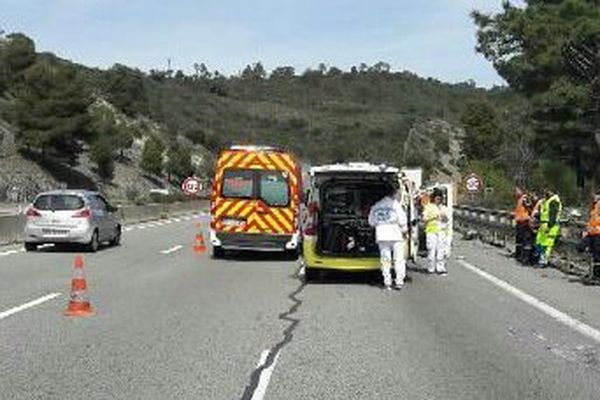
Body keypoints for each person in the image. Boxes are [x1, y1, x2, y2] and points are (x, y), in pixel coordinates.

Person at [368, 186, 408, 290]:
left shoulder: (376, 206)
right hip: (396, 235)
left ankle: (387, 282)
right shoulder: (395, 205)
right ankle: (399, 281)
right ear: (393, 194)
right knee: (398, 259)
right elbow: (402, 220)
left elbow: (371, 222)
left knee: (385, 260)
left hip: (381, 235)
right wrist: (404, 231)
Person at [422, 188, 449, 275]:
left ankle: (440, 267)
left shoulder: (444, 208)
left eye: (440, 199)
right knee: (431, 249)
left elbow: (447, 219)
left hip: (441, 230)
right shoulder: (428, 207)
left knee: (441, 249)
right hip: (431, 230)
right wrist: (434, 217)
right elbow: (424, 219)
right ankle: (431, 267)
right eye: (437, 198)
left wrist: (444, 217)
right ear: (433, 198)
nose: (438, 200)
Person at [534, 188, 562, 267]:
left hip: (550, 227)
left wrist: (549, 226)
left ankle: (543, 262)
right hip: (544, 225)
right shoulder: (547, 200)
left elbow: (553, 215)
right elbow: (545, 213)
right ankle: (539, 259)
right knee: (540, 243)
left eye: (547, 190)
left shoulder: (554, 201)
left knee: (546, 245)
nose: (546, 192)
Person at [513, 188, 532, 265]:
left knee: (524, 241)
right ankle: (519, 255)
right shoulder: (519, 199)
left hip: (524, 222)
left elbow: (529, 207)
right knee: (519, 240)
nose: (516, 192)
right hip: (520, 222)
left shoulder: (524, 199)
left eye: (517, 191)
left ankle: (524, 258)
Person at [584, 190, 600, 278]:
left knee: (597, 255)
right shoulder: (595, 206)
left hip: (598, 233)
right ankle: (593, 273)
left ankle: (596, 274)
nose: (594, 196)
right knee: (593, 253)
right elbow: (592, 220)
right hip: (592, 232)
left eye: (597, 195)